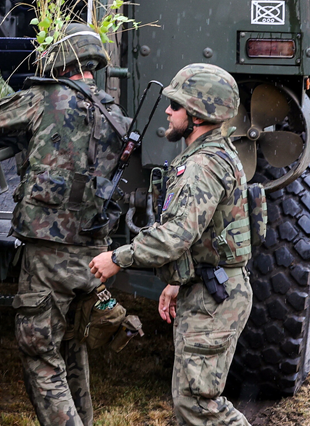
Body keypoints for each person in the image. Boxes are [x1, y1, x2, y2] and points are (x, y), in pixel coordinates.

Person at [0, 24, 129, 426]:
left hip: (49, 252)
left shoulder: (45, 98)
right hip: (95, 252)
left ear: (60, 61)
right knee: (72, 345)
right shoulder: (114, 113)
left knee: (40, 354)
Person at [88, 63, 252, 426]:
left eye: (176, 105)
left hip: (214, 299)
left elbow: (176, 235)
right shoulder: (209, 154)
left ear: (197, 115)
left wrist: (119, 257)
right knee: (189, 401)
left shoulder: (203, 166)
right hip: (209, 288)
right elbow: (208, 233)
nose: (168, 110)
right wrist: (178, 281)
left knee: (199, 405)